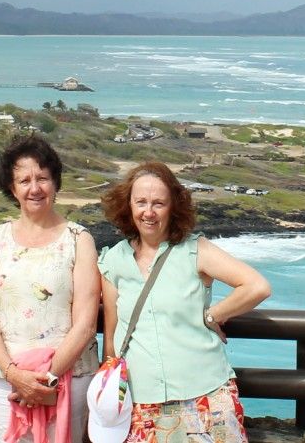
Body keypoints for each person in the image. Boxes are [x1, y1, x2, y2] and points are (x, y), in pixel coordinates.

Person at [96, 161, 272, 443]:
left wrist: (212, 316)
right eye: (140, 202)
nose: (148, 212)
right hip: (141, 401)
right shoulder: (112, 261)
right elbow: (112, 335)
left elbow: (257, 286)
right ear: (127, 205)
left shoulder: (194, 250)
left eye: (159, 203)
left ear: (173, 207)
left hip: (205, 396)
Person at [0, 133, 101, 442]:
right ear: (12, 188)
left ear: (55, 182)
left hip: (68, 376)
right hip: (5, 377)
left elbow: (85, 323)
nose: (35, 188)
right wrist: (14, 374)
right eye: (24, 180)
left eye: (42, 178)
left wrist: (47, 378)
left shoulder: (78, 240)